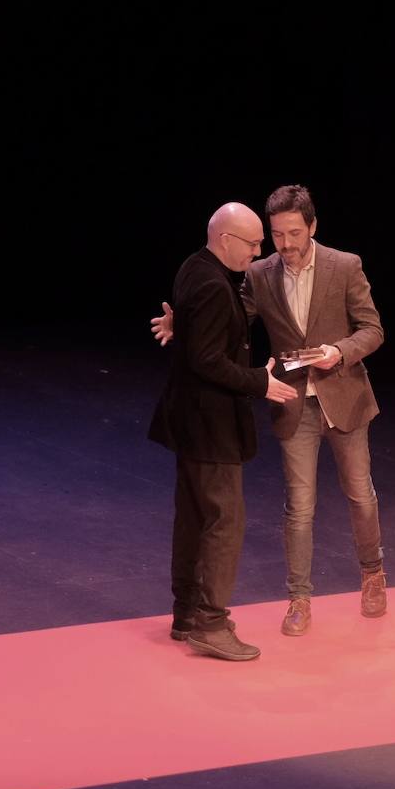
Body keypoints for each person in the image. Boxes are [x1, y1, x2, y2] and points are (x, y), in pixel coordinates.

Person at [154, 185, 387, 636]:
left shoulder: (345, 265)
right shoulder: (259, 274)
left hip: (344, 398)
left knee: (360, 494)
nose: (285, 244)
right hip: (293, 402)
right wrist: (179, 322)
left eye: (294, 232)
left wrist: (338, 352)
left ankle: (373, 573)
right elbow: (225, 316)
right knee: (299, 507)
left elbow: (373, 329)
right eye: (277, 234)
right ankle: (299, 598)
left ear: (313, 227)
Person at [148, 202, 297, 661]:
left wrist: (185, 329)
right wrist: (260, 382)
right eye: (251, 244)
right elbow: (207, 360)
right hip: (211, 424)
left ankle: (187, 613)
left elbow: (199, 341)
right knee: (224, 521)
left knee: (193, 514)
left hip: (188, 420)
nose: (257, 252)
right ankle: (211, 623)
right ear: (225, 239)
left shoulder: (195, 266)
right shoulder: (214, 284)